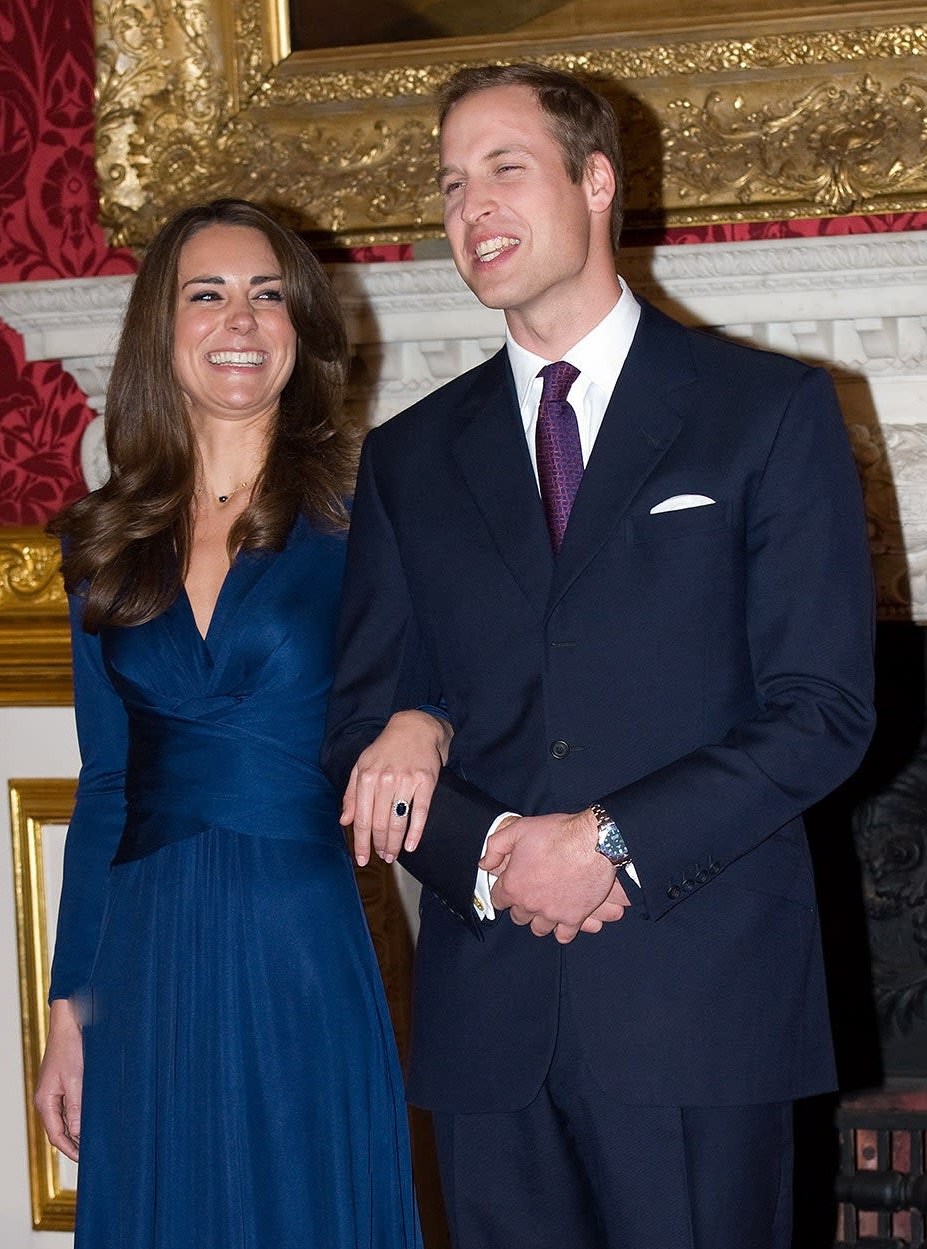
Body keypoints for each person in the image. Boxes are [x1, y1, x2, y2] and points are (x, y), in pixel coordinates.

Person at [322, 64, 877, 1249]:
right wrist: (496, 853)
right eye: (450, 183)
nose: (470, 207)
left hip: (700, 1010)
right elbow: (357, 732)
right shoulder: (409, 460)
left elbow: (822, 709)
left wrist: (609, 846)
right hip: (488, 1025)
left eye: (503, 168)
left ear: (596, 180)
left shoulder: (766, 411)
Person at [34, 198, 426, 1249]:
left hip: (298, 928)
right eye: (206, 295)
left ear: (301, 327)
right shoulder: (102, 540)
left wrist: (423, 721)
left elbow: (447, 678)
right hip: (145, 949)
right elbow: (106, 781)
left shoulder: (366, 514)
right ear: (162, 333)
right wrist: (72, 1000)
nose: (239, 321)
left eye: (266, 296)